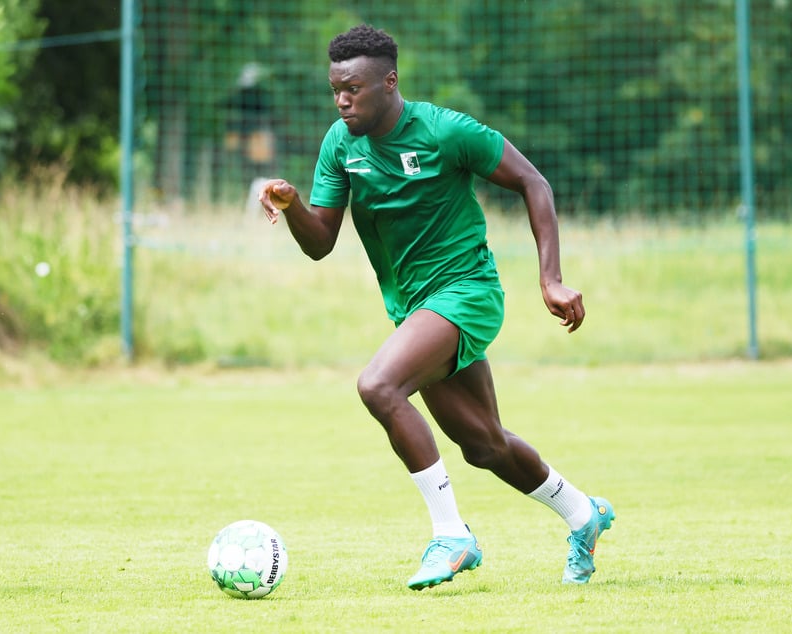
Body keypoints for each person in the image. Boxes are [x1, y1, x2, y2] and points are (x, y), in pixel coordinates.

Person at [259, 24, 614, 590]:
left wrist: (551, 279)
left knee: (378, 385)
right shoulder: (339, 143)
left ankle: (452, 536)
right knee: (483, 444)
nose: (342, 100)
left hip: (466, 292)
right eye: (334, 90)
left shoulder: (445, 131)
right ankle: (582, 515)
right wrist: (295, 204)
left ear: (389, 82)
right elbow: (321, 241)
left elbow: (533, 182)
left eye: (353, 88)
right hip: (415, 308)